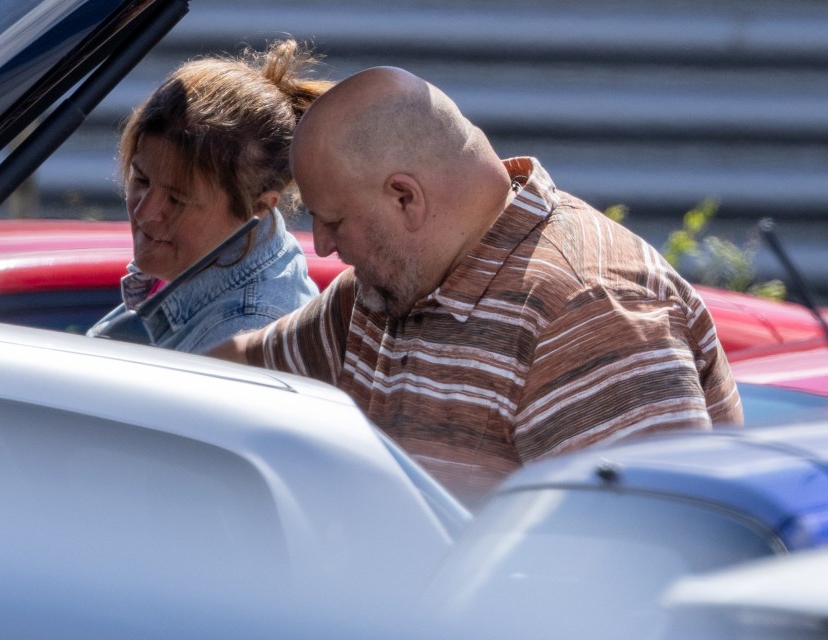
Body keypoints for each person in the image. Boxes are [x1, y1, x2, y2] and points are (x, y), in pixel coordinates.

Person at [209, 66, 743, 508]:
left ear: (404, 198)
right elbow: (244, 368)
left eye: (333, 220)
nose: (322, 245)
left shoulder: (589, 312)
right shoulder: (382, 290)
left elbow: (643, 561)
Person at [88, 39, 330, 354]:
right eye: (141, 179)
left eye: (177, 200)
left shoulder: (245, 332)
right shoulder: (189, 268)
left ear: (257, 208)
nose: (145, 211)